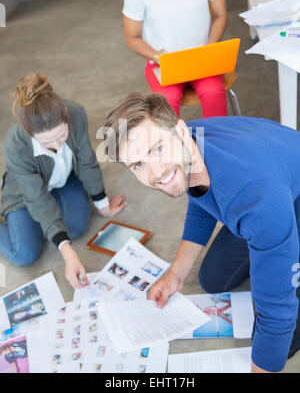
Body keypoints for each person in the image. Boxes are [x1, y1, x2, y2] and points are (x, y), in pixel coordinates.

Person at [103, 92, 300, 373]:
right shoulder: (188, 145)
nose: (156, 172)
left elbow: (277, 313)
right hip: (274, 173)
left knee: (277, 333)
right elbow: (201, 196)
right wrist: (176, 274)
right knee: (213, 279)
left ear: (180, 132)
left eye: (157, 149)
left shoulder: (257, 200)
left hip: (280, 197)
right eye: (138, 164)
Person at [0, 73, 127, 289]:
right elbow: (37, 197)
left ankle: (45, 224)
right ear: (30, 134)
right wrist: (68, 254)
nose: (58, 147)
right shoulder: (15, 143)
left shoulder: (75, 113)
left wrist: (102, 204)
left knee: (76, 228)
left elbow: (87, 161)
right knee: (24, 254)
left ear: (66, 117)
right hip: (26, 192)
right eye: (47, 143)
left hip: (63, 179)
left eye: (62, 136)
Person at [123, 0, 228, 118]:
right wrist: (158, 57)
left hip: (202, 56)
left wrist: (209, 49)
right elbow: (132, 37)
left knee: (213, 92)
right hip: (162, 63)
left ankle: (219, 144)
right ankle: (174, 147)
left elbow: (220, 15)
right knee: (166, 102)